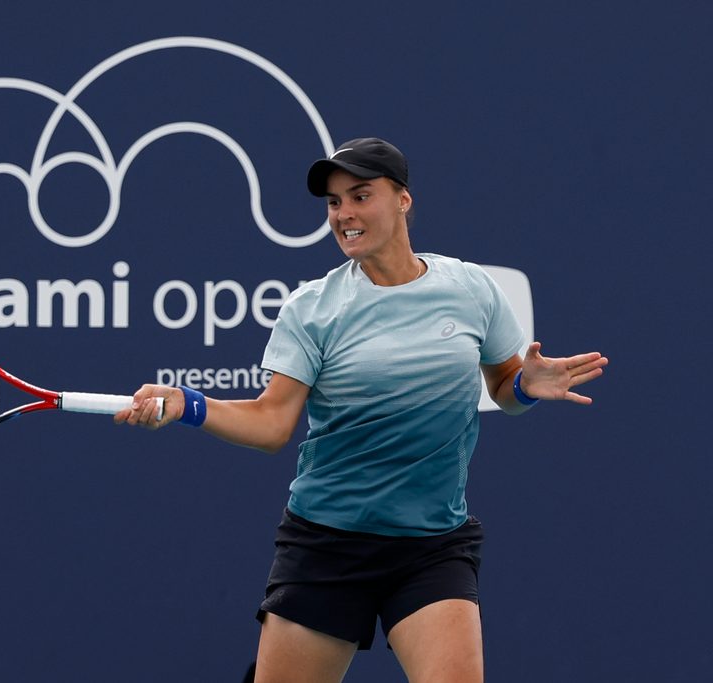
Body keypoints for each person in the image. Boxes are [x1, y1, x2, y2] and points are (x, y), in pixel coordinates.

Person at [115, 137, 608, 683]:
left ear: (403, 200)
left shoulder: (471, 289)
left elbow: (504, 388)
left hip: (431, 545)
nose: (344, 214)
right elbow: (272, 423)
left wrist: (524, 387)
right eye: (334, 202)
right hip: (327, 545)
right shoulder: (312, 309)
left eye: (360, 195)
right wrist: (190, 404)